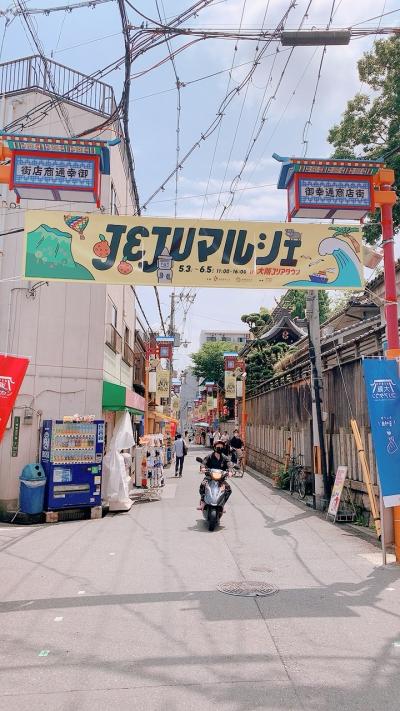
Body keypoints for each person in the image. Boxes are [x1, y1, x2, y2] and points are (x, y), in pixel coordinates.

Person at [199, 439, 231, 509]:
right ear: (214, 447)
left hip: (221, 478)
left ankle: (222, 505)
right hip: (210, 477)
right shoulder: (209, 456)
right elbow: (204, 462)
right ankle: (202, 502)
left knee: (228, 489)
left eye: (221, 447)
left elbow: (229, 464)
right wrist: (203, 468)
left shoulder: (224, 457)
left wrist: (230, 471)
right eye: (218, 447)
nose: (220, 448)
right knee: (202, 485)